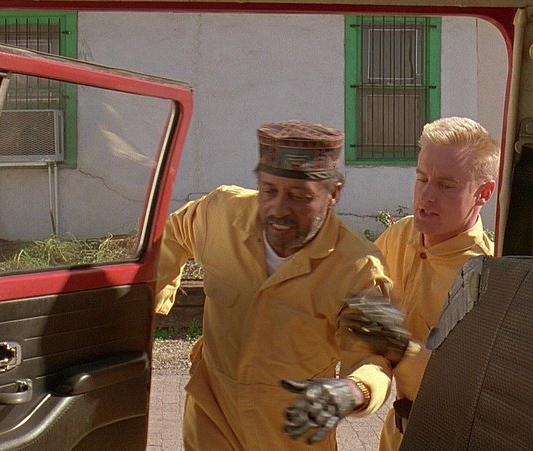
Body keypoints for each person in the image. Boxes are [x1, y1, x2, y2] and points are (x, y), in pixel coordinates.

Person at [154, 120, 396, 450]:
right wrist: (149, 302)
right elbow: (174, 234)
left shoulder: (357, 267)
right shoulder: (221, 214)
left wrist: (354, 390)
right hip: (212, 421)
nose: (279, 209)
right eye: (269, 191)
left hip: (292, 432)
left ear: (333, 193)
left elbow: (373, 358)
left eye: (300, 196)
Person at [372, 116, 499, 451]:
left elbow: (462, 386)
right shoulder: (402, 234)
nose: (426, 195)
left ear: (483, 193)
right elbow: (351, 289)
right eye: (422, 178)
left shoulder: (485, 277)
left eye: (446, 185)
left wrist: (394, 347)